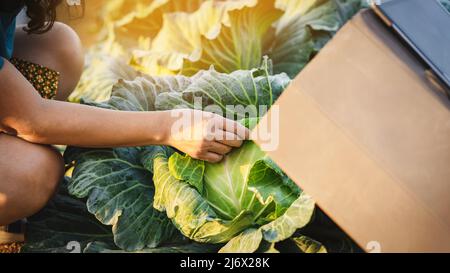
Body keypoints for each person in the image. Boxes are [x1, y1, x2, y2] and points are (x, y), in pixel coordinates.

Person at [0, 1, 249, 226]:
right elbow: (33, 120)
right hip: (29, 117)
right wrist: (171, 127)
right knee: (36, 172)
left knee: (57, 46)